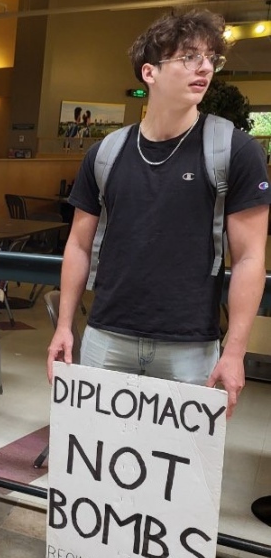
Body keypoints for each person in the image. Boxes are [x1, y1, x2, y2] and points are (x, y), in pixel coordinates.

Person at [46, 9, 270, 422]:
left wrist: (235, 350)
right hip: (106, 335)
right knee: (94, 465)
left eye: (210, 59)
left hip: (190, 346)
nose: (204, 66)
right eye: (188, 56)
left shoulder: (235, 151)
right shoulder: (106, 153)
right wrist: (64, 326)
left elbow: (251, 258)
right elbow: (78, 244)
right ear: (149, 72)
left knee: (180, 477)